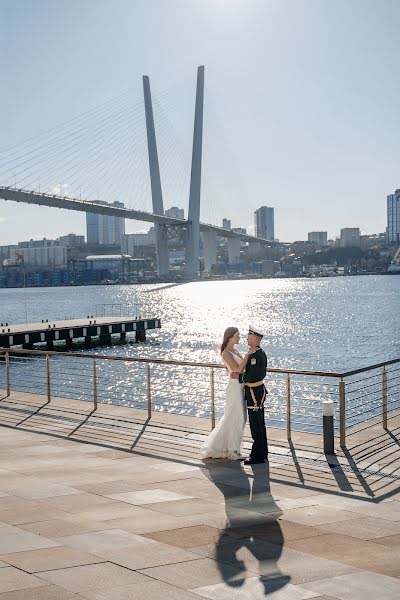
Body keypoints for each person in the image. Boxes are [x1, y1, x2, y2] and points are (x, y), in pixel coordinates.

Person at [200, 326, 255, 460]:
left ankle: (231, 448)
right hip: (234, 388)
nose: (239, 337)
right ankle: (233, 451)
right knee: (237, 417)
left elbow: (242, 368)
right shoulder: (226, 352)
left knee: (239, 417)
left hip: (240, 386)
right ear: (229, 337)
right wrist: (248, 354)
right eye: (237, 335)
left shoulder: (234, 350)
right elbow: (237, 369)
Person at [231, 325, 268, 464]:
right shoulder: (256, 353)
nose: (246, 338)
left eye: (248, 336)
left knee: (256, 425)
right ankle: (262, 453)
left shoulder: (257, 355)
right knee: (259, 424)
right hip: (255, 391)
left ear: (254, 338)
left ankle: (257, 456)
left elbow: (254, 375)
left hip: (255, 392)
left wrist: (240, 378)